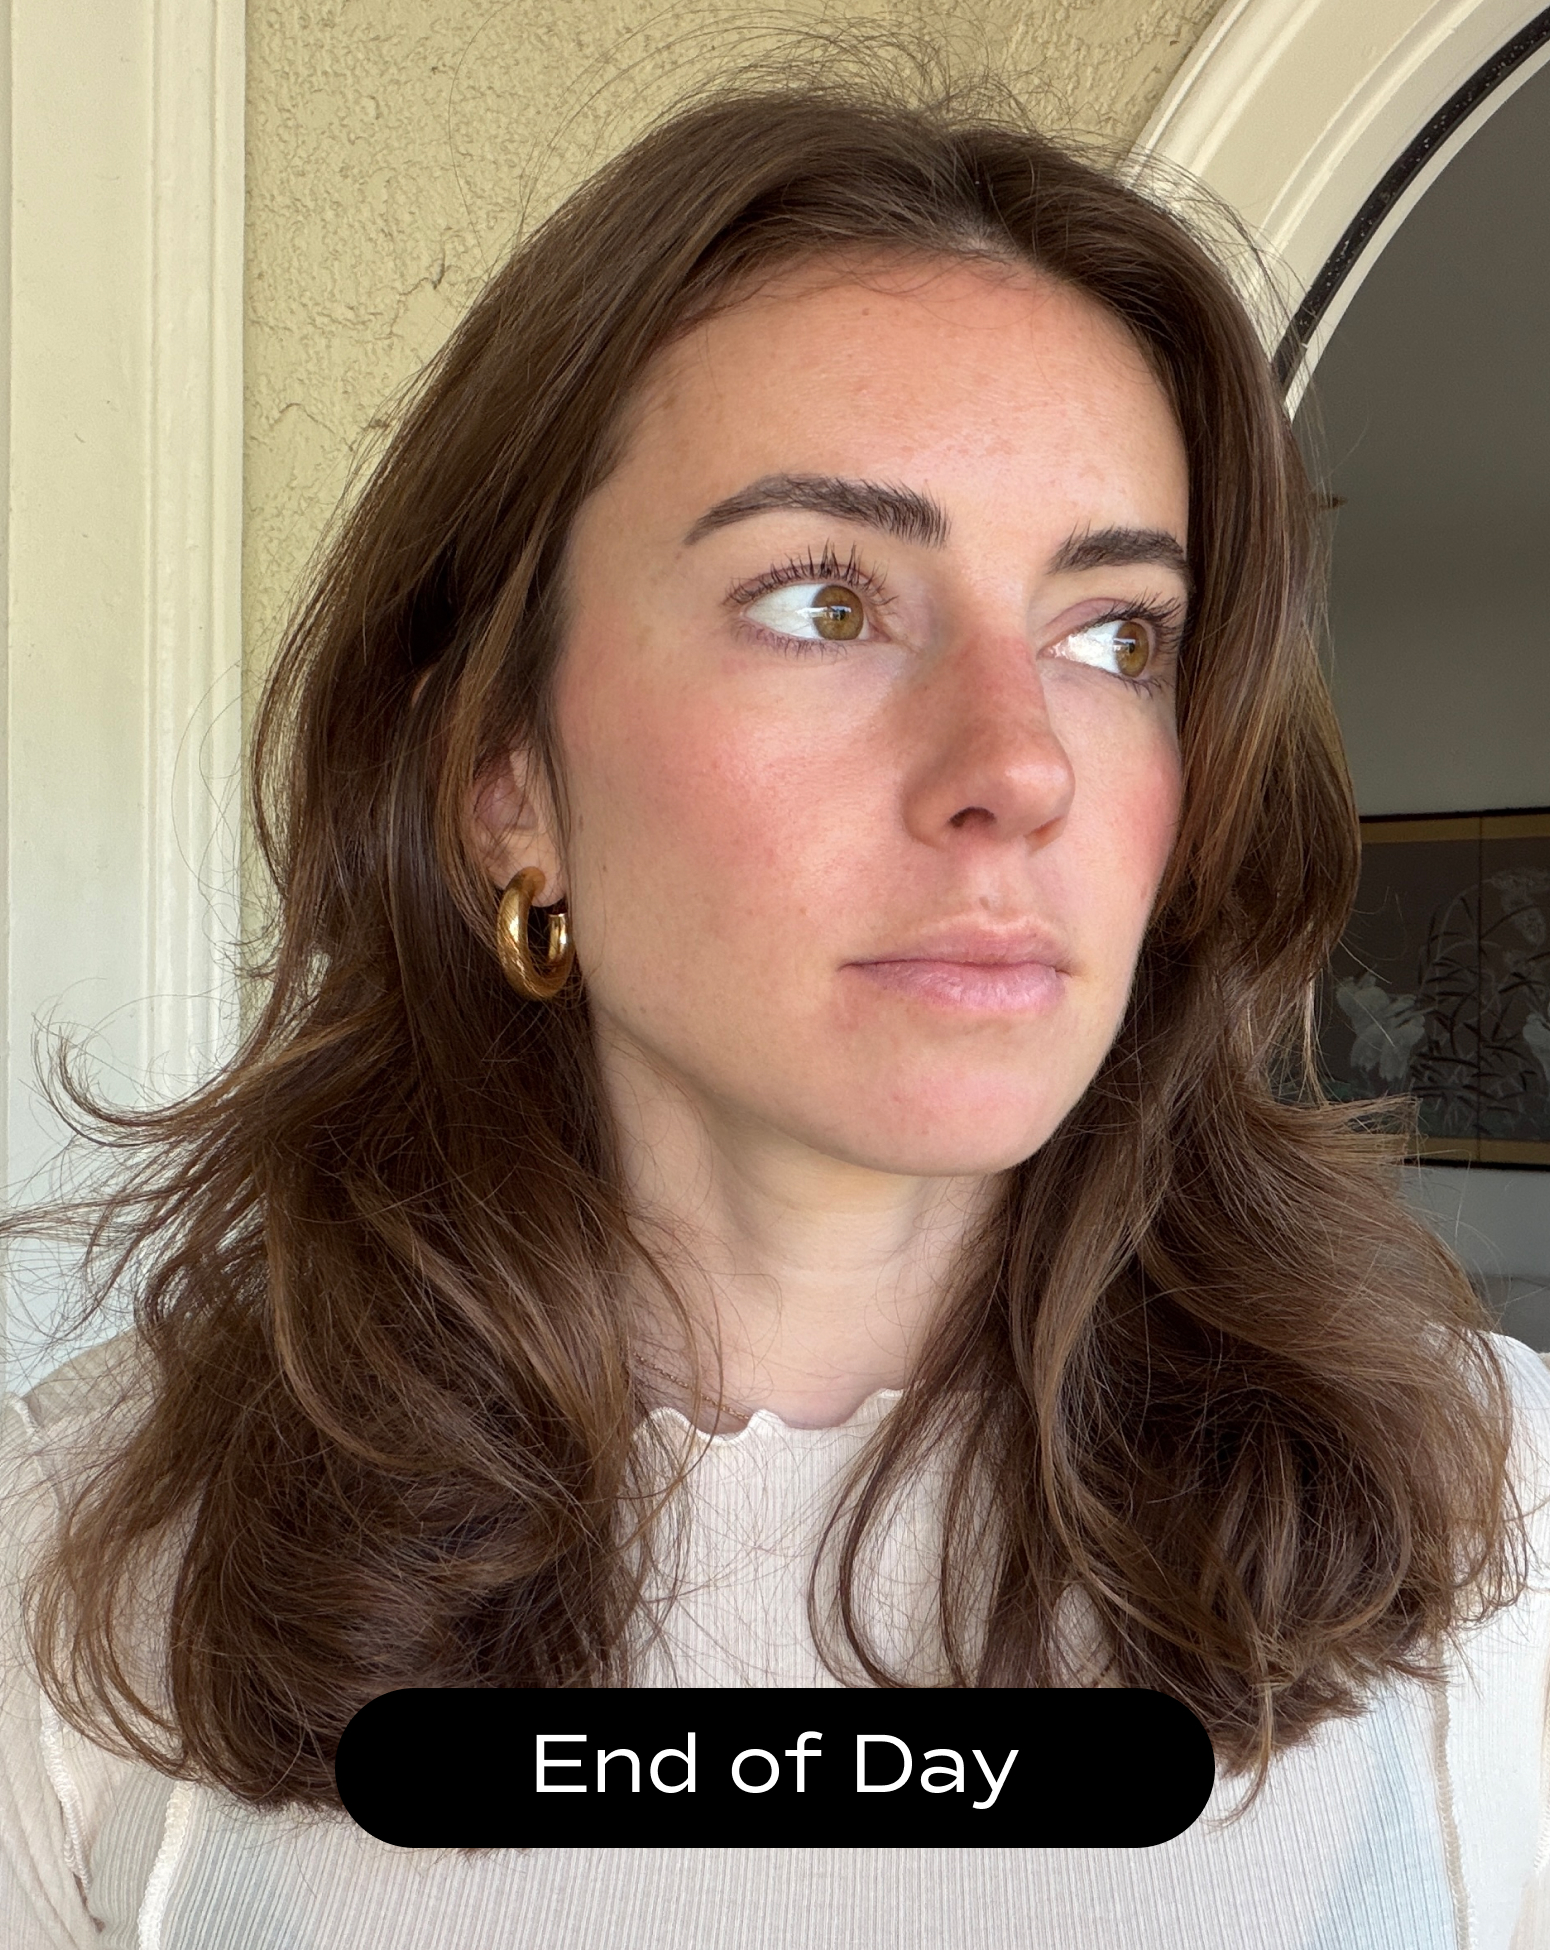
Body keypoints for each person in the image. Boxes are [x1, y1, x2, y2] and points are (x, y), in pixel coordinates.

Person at [2, 71, 1547, 1950]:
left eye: (1114, 633)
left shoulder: (1503, 1537)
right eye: (823, 601)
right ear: (505, 771)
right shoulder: (74, 1561)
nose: (1018, 768)